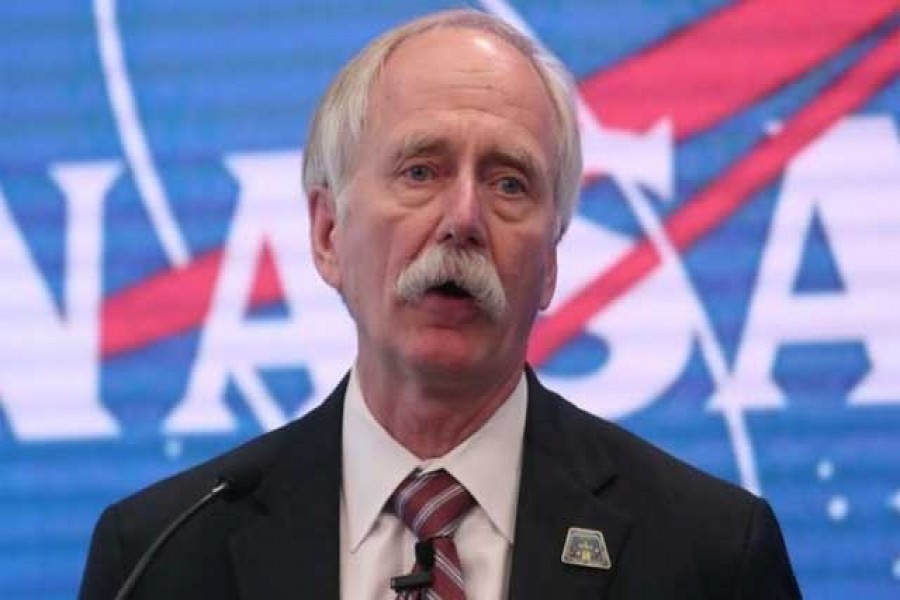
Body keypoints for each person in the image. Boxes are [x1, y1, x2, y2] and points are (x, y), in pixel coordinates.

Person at [79, 9, 801, 599]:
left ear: (550, 263)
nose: (463, 217)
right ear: (328, 234)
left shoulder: (711, 557)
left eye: (509, 182)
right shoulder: (160, 558)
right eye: (420, 170)